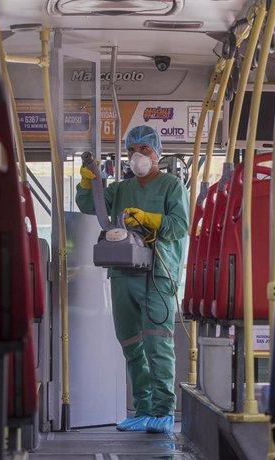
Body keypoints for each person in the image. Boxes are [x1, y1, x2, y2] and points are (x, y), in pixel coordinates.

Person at [75, 125, 189, 433]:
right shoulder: (120, 190)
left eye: (145, 150)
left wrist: (150, 220)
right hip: (122, 273)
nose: (138, 156)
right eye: (133, 150)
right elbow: (88, 205)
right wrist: (89, 183)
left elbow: (180, 226)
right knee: (131, 345)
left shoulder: (172, 186)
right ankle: (143, 409)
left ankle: (164, 411)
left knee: (158, 344)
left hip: (157, 274)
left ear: (157, 154)